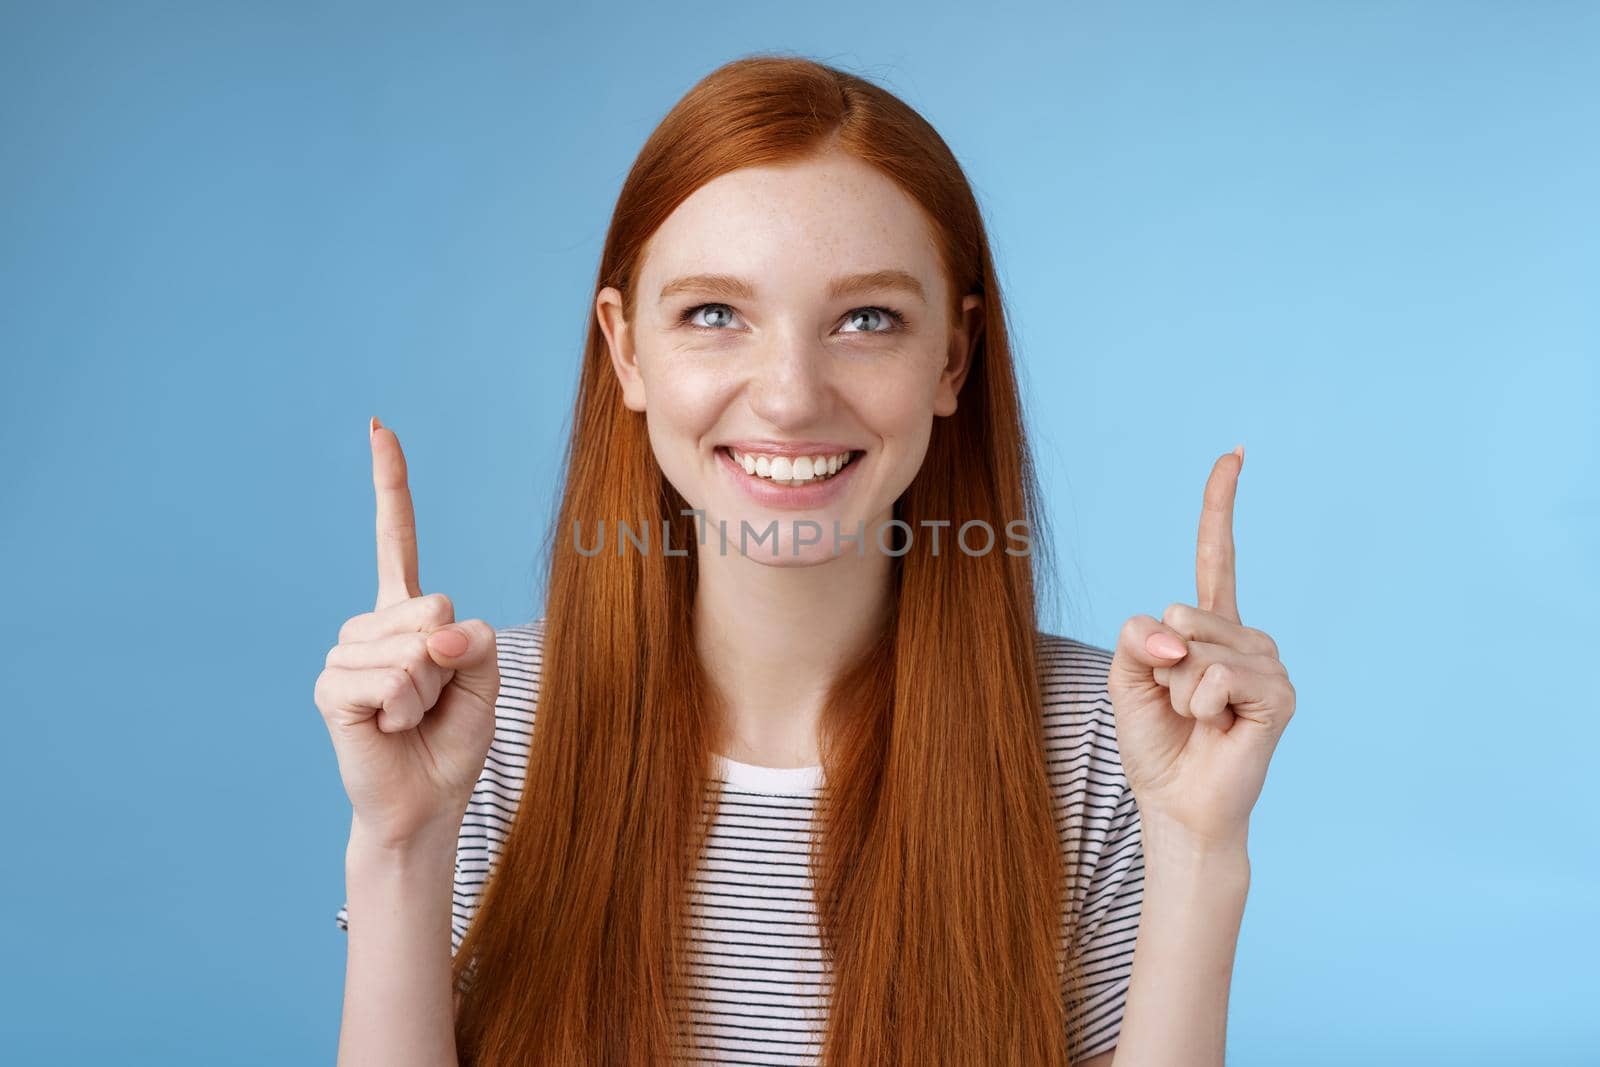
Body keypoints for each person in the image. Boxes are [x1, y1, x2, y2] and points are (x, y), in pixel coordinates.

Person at [316, 54, 1296, 1066]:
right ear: (626, 350)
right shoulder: (482, 728)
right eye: (713, 314)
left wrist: (1197, 850)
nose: (788, 395)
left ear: (952, 359)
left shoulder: (1106, 743)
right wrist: (397, 847)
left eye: (867, 319)